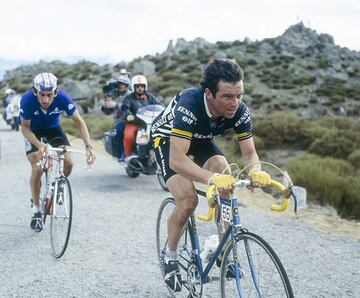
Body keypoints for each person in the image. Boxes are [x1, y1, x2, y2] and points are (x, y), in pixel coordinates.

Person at [151, 59, 271, 292]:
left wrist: (256, 171)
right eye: (227, 96)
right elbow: (177, 160)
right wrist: (210, 179)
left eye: (239, 95)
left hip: (201, 140)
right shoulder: (190, 104)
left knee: (225, 175)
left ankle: (223, 250)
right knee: (188, 201)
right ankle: (170, 256)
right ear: (208, 93)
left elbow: (250, 153)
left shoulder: (239, 110)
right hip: (167, 141)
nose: (235, 103)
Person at [20, 72, 96, 232]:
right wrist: (40, 145)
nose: (45, 100)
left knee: (69, 163)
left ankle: (58, 185)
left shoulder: (63, 98)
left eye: (49, 95)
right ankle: (36, 210)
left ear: (55, 92)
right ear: (35, 92)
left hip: (54, 130)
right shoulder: (27, 101)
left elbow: (79, 122)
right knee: (38, 167)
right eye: (41, 95)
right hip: (33, 132)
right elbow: (25, 128)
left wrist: (88, 146)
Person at [120, 74, 160, 158]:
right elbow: (124, 108)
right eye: (137, 86)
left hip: (149, 123)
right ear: (133, 87)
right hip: (134, 122)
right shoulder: (129, 98)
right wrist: (128, 115)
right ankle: (127, 156)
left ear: (145, 86)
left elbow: (159, 106)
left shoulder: (150, 97)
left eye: (142, 86)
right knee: (129, 136)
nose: (140, 88)